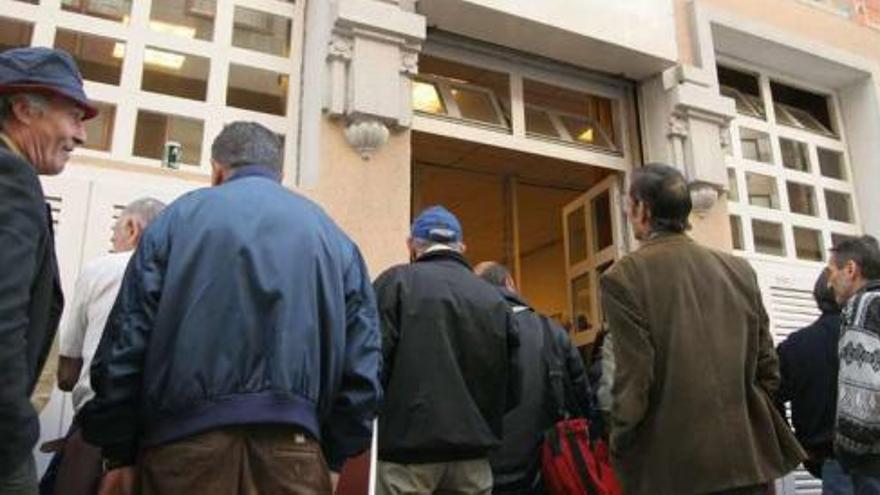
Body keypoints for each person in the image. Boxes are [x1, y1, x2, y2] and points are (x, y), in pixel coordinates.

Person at [79, 122, 382, 495]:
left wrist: (118, 451)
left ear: (217, 169)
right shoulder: (334, 239)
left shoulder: (176, 221)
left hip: (181, 446)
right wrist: (335, 455)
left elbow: (126, 343)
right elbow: (363, 365)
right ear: (279, 172)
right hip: (295, 450)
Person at [599, 163, 804, 495]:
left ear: (642, 209)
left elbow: (634, 379)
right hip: (748, 462)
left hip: (674, 469)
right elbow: (768, 368)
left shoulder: (623, 277)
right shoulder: (738, 270)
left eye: (628, 201)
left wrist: (620, 441)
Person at [373, 206, 520, 495]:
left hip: (406, 457)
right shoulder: (493, 300)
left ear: (411, 245)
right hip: (473, 459)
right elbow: (514, 385)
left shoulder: (395, 283)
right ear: (462, 246)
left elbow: (370, 365)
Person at [0, 47, 95, 494]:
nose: (81, 136)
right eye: (74, 116)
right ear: (22, 108)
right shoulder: (10, 178)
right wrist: (15, 433)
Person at [40, 198, 166, 495]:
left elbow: (67, 377)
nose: (114, 239)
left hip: (96, 428)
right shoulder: (179, 277)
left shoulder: (101, 269)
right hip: (158, 435)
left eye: (115, 232)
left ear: (132, 228)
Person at [474, 261, 591, 494]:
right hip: (544, 467)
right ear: (510, 283)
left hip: (483, 472)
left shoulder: (470, 332)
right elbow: (581, 398)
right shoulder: (551, 331)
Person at [776, 268, 853, 494]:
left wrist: (794, 444)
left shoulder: (795, 346)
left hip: (830, 462)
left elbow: (770, 395)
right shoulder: (870, 335)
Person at [829, 235, 880, 493]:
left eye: (831, 272)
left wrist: (847, 453)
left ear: (850, 269)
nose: (829, 282)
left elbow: (863, 392)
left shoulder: (862, 306)